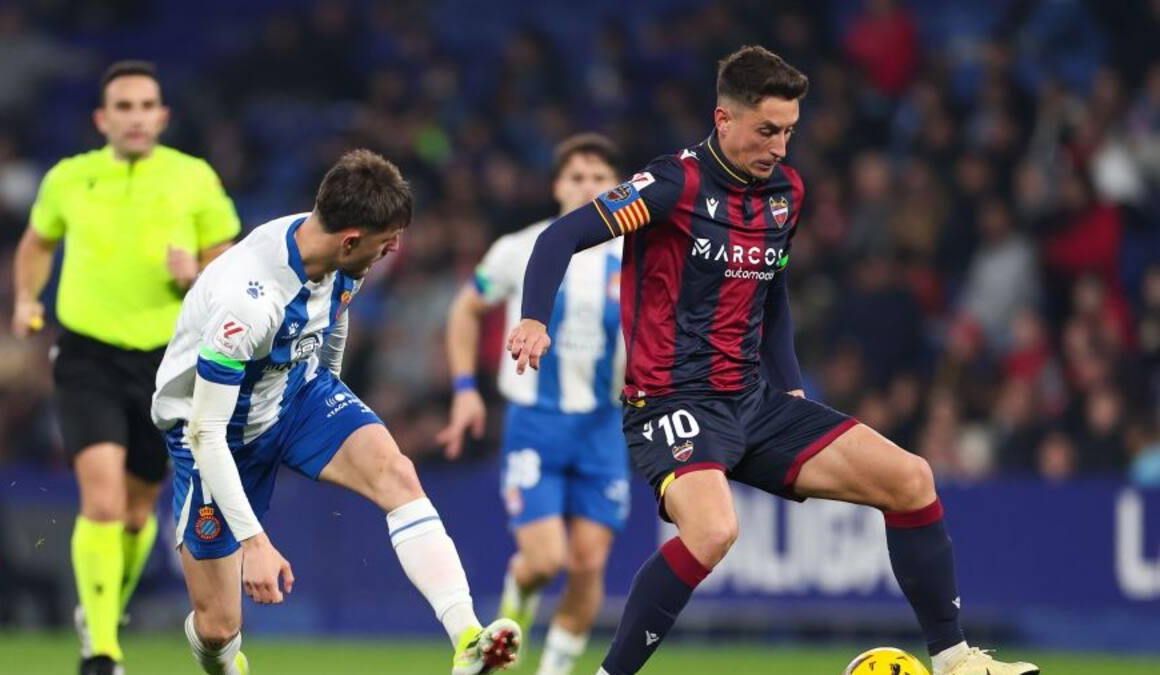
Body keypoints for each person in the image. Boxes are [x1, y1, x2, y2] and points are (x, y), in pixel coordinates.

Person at [505, 46, 1040, 675]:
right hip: (673, 402)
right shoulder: (672, 184)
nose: (780, 146)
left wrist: (789, 388)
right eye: (767, 130)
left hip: (755, 401)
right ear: (724, 120)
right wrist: (535, 318)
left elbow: (772, 292)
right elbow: (561, 236)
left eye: (789, 131)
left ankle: (955, 661)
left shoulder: (787, 192)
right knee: (711, 532)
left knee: (912, 479)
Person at [151, 149, 520, 675]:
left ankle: (467, 638)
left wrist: (333, 393)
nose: (393, 250)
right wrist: (256, 543)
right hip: (216, 432)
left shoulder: (339, 253)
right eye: (385, 241)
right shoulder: (249, 303)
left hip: (298, 395)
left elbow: (335, 316)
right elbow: (204, 430)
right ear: (350, 239)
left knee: (397, 473)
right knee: (217, 628)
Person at [11, 60, 241, 675]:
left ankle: (102, 608)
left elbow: (229, 265)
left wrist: (193, 273)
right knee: (104, 501)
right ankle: (102, 650)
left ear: (162, 116)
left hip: (166, 365)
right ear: (102, 119)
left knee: (139, 513)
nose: (135, 117)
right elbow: (37, 242)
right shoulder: (70, 179)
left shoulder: (194, 179)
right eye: (124, 107)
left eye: (146, 107)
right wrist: (26, 300)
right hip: (86, 354)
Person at [438, 133, 628, 675]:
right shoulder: (520, 247)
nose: (588, 187)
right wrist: (465, 390)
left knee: (589, 564)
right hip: (535, 424)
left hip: (604, 425)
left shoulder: (639, 253)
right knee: (545, 562)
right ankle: (510, 617)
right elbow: (465, 310)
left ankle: (553, 672)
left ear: (618, 188)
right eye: (577, 177)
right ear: (556, 186)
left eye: (599, 178)